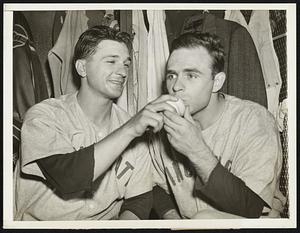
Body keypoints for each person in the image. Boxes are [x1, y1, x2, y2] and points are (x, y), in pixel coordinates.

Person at [14, 25, 178, 220]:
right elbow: (68, 178)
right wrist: (131, 129)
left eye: (126, 64)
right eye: (111, 61)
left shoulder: (135, 129)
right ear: (82, 68)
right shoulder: (45, 116)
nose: (123, 72)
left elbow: (138, 199)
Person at [151, 32, 286, 219]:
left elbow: (252, 208)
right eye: (172, 75)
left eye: (191, 75)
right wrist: (174, 220)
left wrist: (197, 150)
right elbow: (155, 186)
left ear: (217, 82)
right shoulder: (164, 124)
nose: (176, 86)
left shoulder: (254, 121)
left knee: (203, 218)